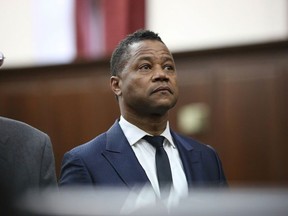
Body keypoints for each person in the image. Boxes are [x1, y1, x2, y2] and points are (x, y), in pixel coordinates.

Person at [59, 30, 227, 200]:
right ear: (117, 85)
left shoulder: (207, 157)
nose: (162, 75)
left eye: (168, 67)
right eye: (145, 67)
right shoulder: (85, 162)